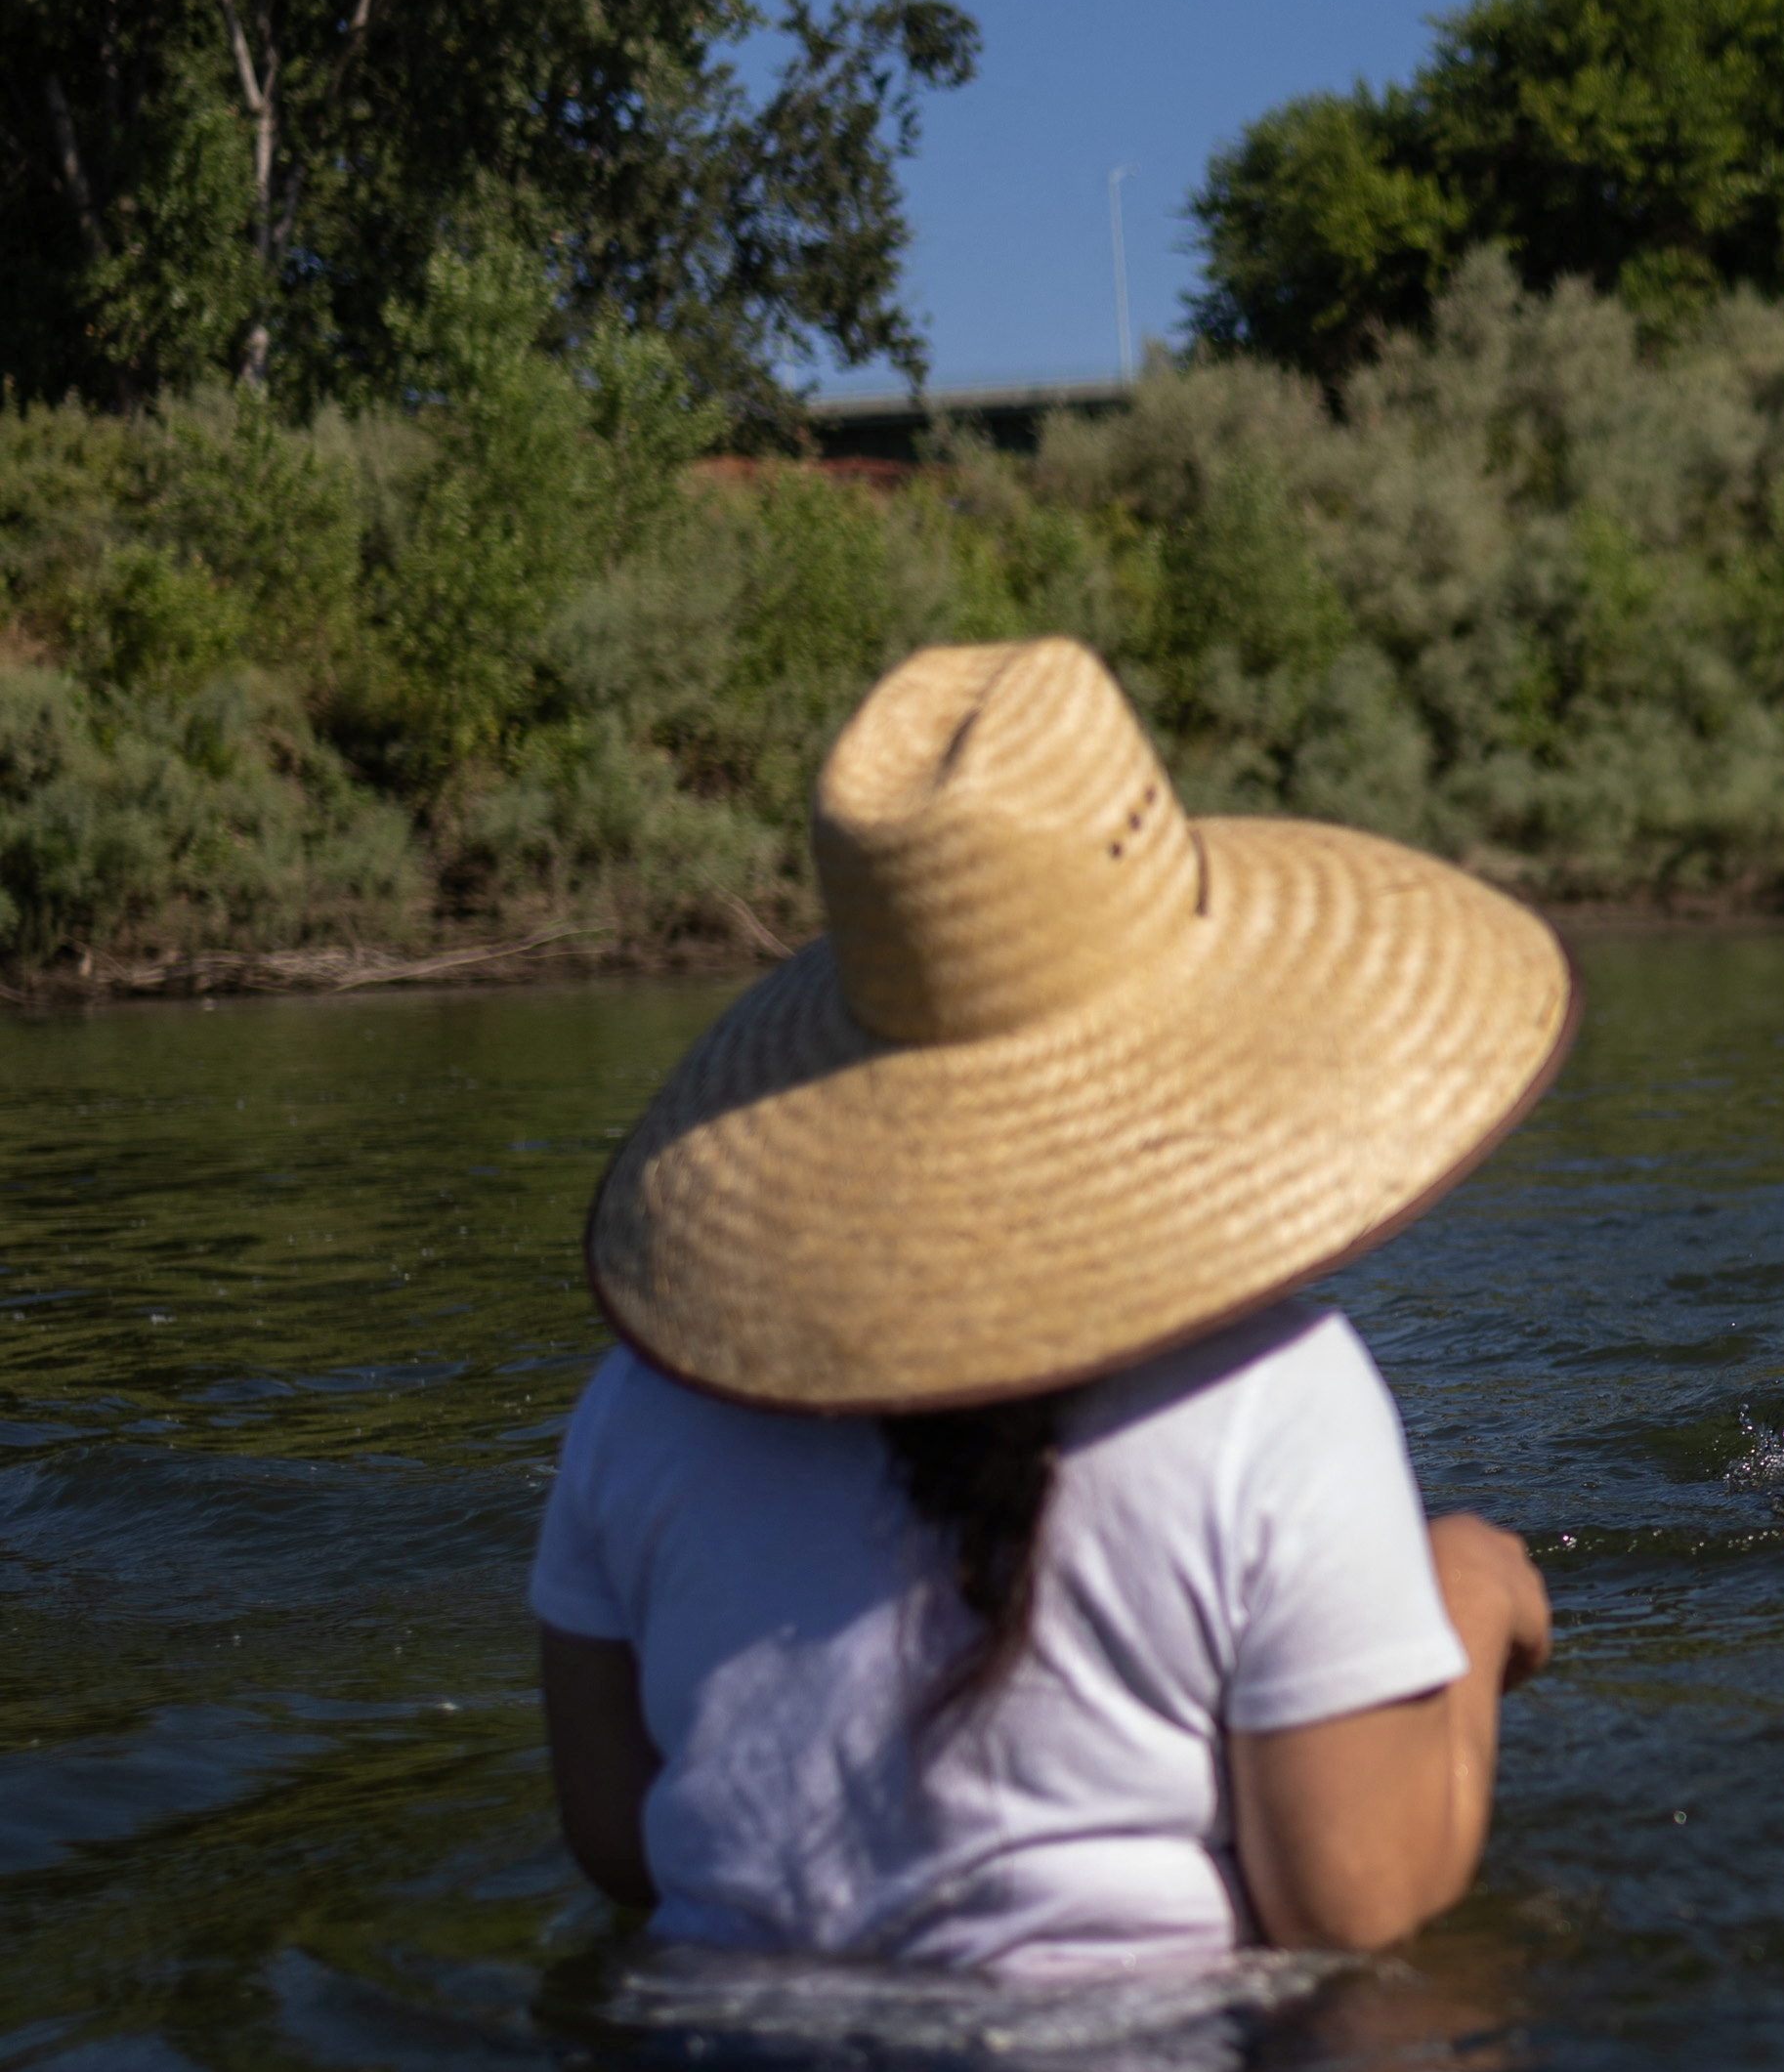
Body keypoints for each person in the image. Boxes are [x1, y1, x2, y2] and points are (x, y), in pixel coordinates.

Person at [531, 635, 1585, 1976]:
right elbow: (1353, 1899)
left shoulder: (641, 1406)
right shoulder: (1273, 1400)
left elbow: (622, 1840)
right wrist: (1467, 1603)